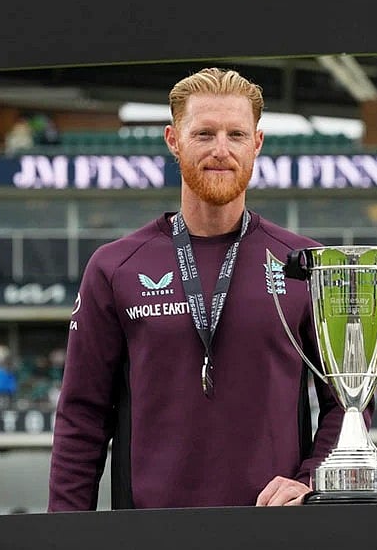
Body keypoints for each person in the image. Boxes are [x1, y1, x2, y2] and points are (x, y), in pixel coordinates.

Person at [48, 68, 357, 511]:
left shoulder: (305, 264)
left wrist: (312, 479)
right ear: (173, 140)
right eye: (204, 133)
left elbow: (348, 403)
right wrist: (61, 533)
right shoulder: (115, 266)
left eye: (236, 134)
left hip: (274, 532)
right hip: (149, 535)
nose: (221, 150)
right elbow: (82, 418)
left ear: (258, 143)